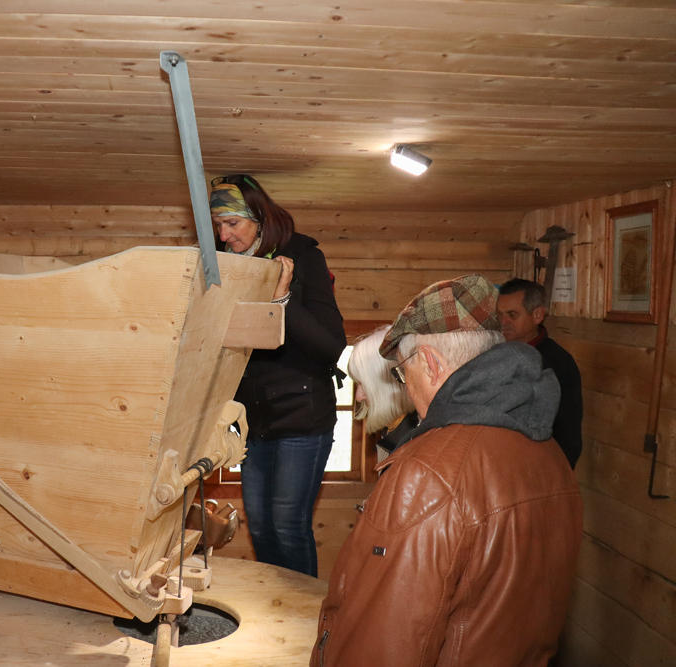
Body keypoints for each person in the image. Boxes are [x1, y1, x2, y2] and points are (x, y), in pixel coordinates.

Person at [312, 274, 582, 667]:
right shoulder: (549, 454)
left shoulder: (426, 474)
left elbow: (383, 644)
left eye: (402, 373)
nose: (406, 387)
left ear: (430, 363)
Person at [210, 174, 347, 578]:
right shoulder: (224, 266)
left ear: (260, 218)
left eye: (232, 223)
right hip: (253, 421)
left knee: (288, 526)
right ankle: (272, 606)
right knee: (261, 527)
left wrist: (281, 300)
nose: (224, 235)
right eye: (218, 225)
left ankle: (302, 610)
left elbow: (331, 346)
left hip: (302, 416)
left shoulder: (303, 256)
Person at [498, 278, 583, 467]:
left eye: (512, 315)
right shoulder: (492, 355)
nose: (503, 322)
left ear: (537, 315)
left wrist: (553, 474)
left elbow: (568, 434)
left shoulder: (558, 363)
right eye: (499, 314)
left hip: (537, 467)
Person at [346, 325, 418, 461]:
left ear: (388, 383)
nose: (359, 397)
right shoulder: (393, 431)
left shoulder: (413, 442)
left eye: (364, 385)